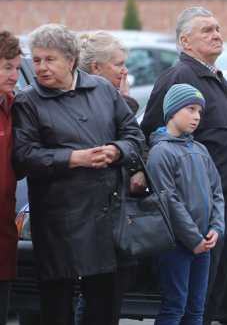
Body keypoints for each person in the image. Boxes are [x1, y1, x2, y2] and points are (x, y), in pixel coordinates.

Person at [12, 24, 145, 325]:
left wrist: (116, 151)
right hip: (59, 222)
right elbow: (23, 155)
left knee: (104, 308)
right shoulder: (29, 101)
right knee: (56, 309)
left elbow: (135, 137)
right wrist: (73, 158)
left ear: (71, 60)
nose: (41, 67)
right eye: (37, 59)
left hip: (106, 220)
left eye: (50, 59)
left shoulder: (102, 90)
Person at [141, 7, 227, 320]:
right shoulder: (180, 76)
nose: (217, 34)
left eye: (217, 28)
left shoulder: (215, 77)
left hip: (222, 204)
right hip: (190, 213)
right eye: (207, 30)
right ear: (185, 42)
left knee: (209, 295)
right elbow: (152, 130)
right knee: (185, 301)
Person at [147, 83, 225, 325]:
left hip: (204, 243)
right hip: (177, 244)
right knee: (175, 306)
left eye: (199, 112)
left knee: (196, 308)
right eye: (190, 109)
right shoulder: (161, 152)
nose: (196, 117)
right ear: (172, 111)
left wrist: (216, 228)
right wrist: (193, 239)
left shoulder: (200, 149)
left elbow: (217, 193)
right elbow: (168, 200)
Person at [0, 31, 21, 325]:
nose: (15, 75)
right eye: (7, 67)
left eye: (18, 67)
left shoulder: (16, 108)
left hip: (4, 237)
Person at [78, 31, 138, 114]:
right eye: (119, 65)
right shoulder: (87, 107)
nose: (125, 71)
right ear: (96, 67)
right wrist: (125, 100)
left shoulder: (105, 99)